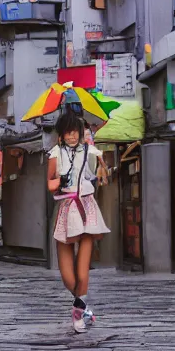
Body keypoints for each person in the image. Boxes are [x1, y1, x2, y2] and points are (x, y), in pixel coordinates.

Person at [47, 111, 109, 333]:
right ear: (61, 135)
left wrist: (101, 165)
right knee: (67, 277)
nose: (72, 136)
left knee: (83, 273)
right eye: (68, 132)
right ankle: (84, 308)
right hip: (66, 209)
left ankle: (78, 313)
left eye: (75, 132)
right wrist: (60, 180)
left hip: (87, 207)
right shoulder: (55, 153)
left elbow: (103, 172)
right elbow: (50, 184)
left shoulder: (90, 150)